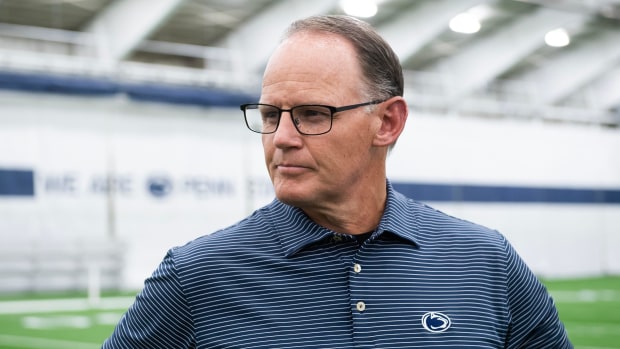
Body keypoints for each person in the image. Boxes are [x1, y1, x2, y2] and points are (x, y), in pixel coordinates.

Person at [102, 15, 572, 348]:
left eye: (311, 114)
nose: (282, 138)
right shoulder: (198, 277)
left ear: (387, 122)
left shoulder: (485, 262)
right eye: (270, 115)